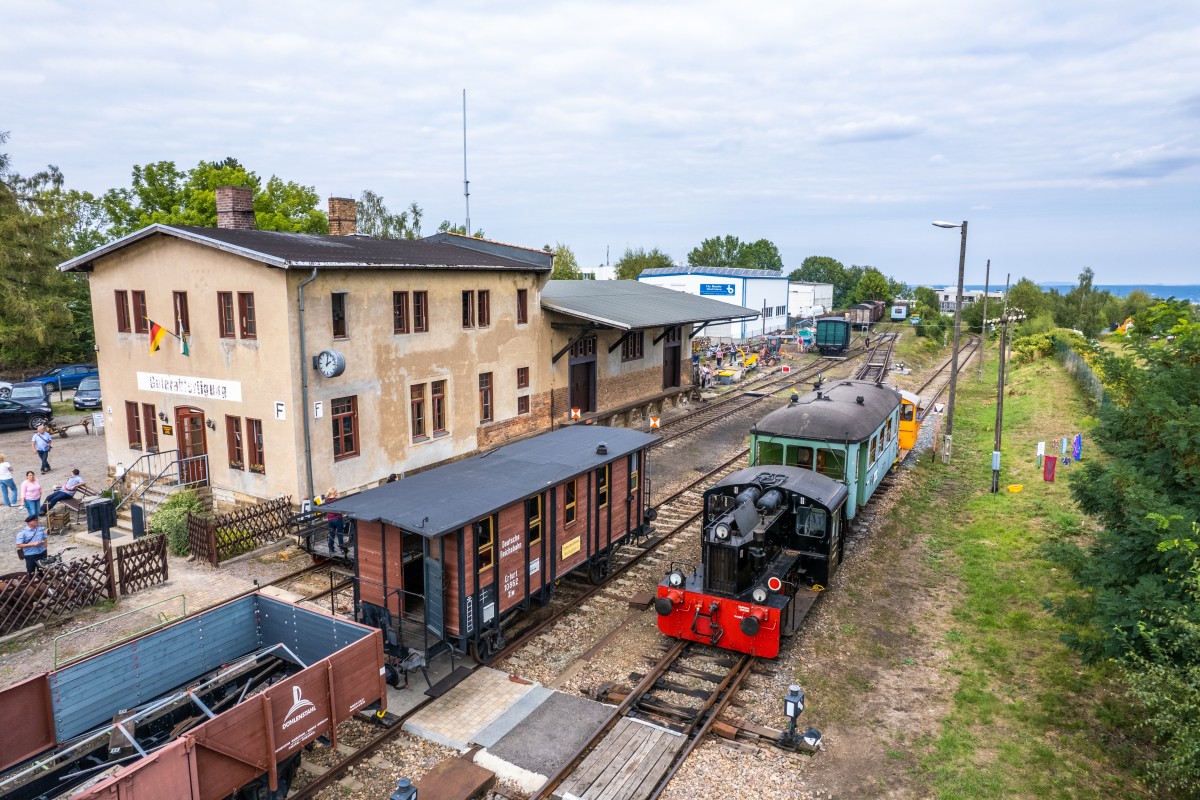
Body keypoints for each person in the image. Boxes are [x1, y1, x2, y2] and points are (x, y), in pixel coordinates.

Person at [323, 487, 346, 554]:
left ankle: (331, 548)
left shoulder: (326, 500)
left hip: (330, 520)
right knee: (339, 534)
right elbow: (339, 509)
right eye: (336, 492)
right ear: (335, 493)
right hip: (338, 519)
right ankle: (342, 549)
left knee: (331, 534)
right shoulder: (336, 500)